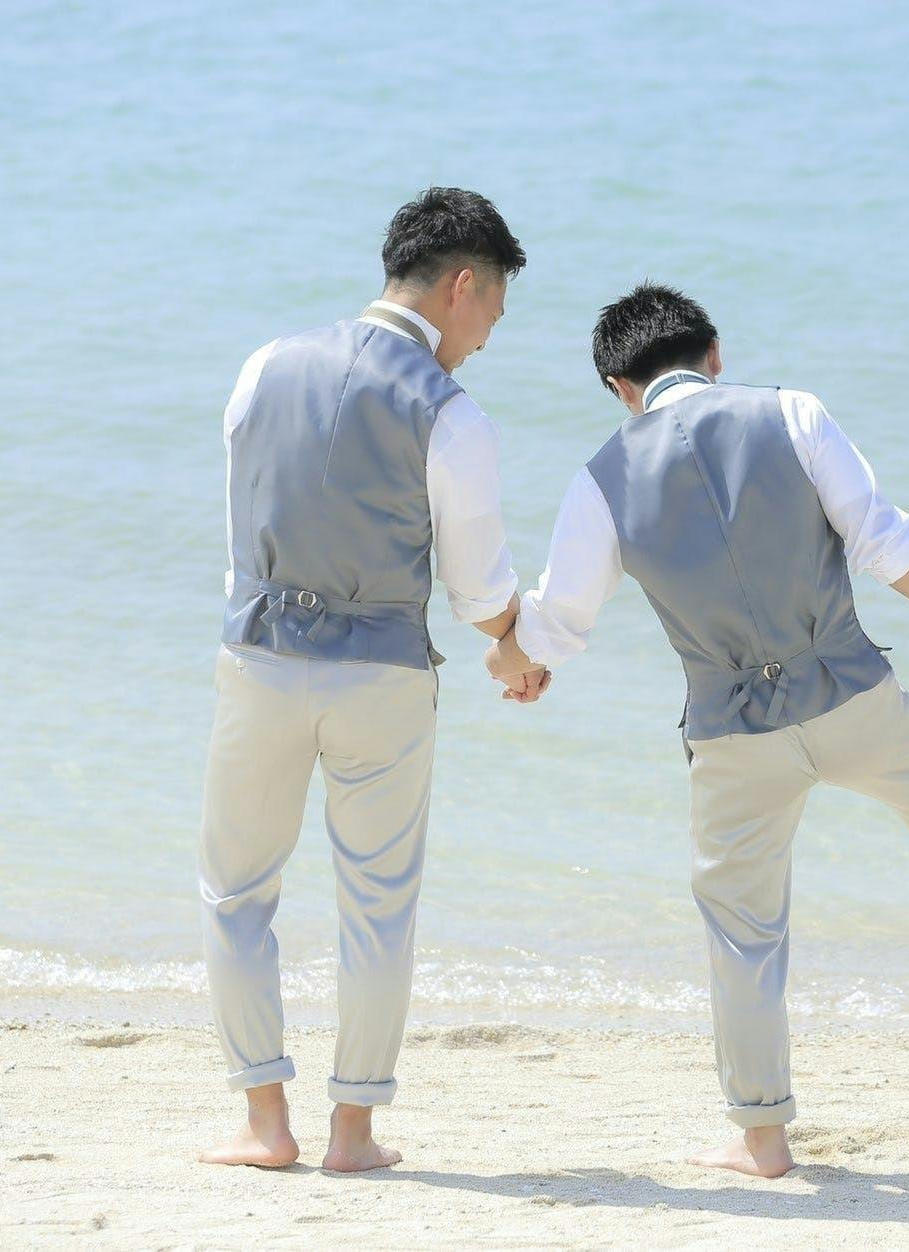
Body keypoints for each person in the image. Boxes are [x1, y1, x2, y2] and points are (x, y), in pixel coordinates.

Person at [486, 283, 909, 1178]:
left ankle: (761, 1137)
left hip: (732, 729)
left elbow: (559, 622)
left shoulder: (600, 479)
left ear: (618, 387)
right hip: (846, 687)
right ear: (714, 353)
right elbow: (881, 539)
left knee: (741, 928)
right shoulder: (792, 413)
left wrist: (510, 661)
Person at [198, 188, 548, 1172]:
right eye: (492, 311)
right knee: (378, 905)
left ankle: (266, 1123)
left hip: (259, 658)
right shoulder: (449, 411)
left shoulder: (263, 364)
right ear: (461, 285)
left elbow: (240, 527)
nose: (487, 337)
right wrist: (515, 647)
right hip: (381, 678)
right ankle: (352, 1131)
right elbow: (478, 588)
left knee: (236, 892)